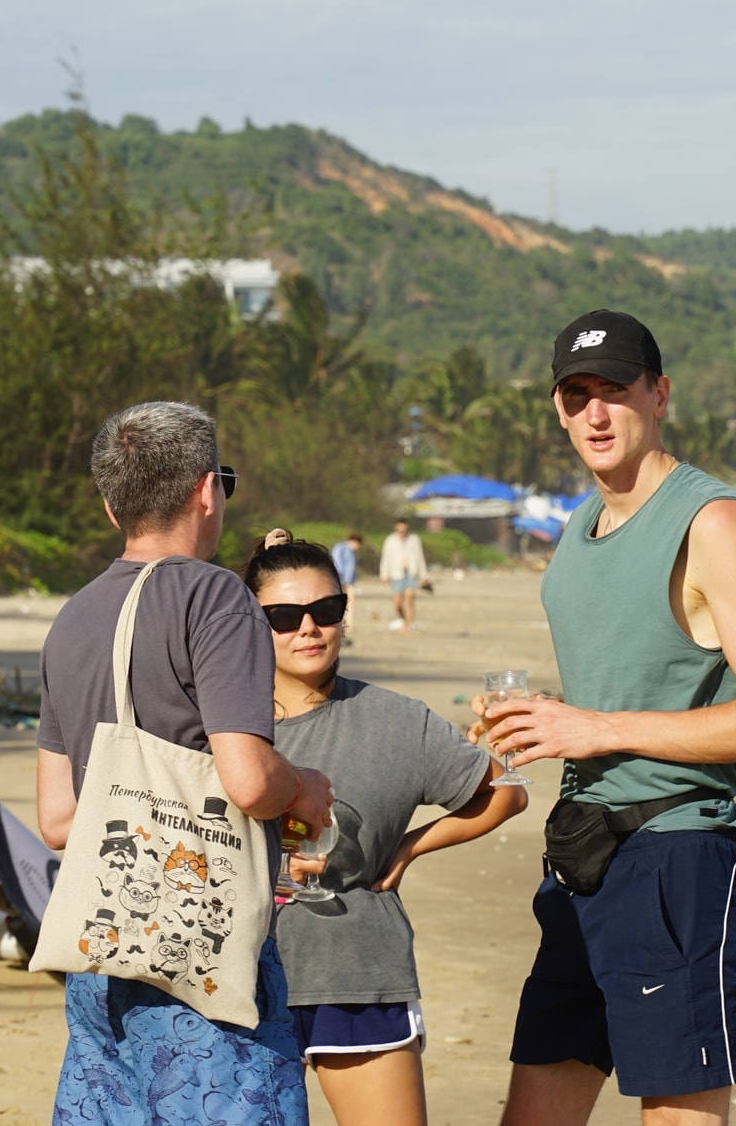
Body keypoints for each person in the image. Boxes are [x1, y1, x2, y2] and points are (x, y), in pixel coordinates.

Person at [474, 309, 736, 1126]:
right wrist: (546, 716)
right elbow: (634, 679)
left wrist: (595, 728)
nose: (595, 413)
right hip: (581, 852)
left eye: (615, 390)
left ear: (659, 395)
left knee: (675, 1112)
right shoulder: (578, 527)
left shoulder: (713, 522)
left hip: (675, 857)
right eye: (576, 394)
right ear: (557, 409)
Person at [35, 401, 333, 1125]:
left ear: (112, 507)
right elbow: (249, 781)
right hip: (198, 953)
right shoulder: (215, 595)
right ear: (206, 490)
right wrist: (303, 788)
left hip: (101, 954)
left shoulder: (73, 617)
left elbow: (58, 820)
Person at [244, 533, 528, 1125]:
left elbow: (506, 791)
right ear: (251, 621)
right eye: (284, 616)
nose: (308, 628)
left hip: (355, 969)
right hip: (237, 978)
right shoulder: (220, 728)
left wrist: (409, 847)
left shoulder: (395, 720)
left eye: (326, 610)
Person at [378, 518, 428, 631]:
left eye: (404, 531)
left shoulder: (414, 540)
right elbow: (385, 558)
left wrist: (424, 575)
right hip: (396, 574)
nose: (402, 533)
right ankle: (405, 620)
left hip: (411, 573)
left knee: (410, 599)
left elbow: (420, 557)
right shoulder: (390, 540)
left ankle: (407, 626)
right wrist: (384, 574)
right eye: (400, 531)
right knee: (398, 604)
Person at [330, 531, 363, 637]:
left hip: (350, 581)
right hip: (340, 580)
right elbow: (337, 564)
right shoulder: (340, 548)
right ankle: (340, 624)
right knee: (340, 603)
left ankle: (350, 625)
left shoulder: (353, 552)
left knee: (351, 602)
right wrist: (342, 581)